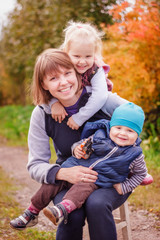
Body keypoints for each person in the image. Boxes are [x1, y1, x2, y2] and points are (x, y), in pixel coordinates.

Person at [9, 49, 150, 240]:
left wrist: (132, 161)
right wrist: (62, 173)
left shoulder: (101, 100)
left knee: (96, 204)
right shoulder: (42, 114)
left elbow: (134, 119)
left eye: (68, 73)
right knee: (71, 213)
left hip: (110, 177)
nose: (64, 82)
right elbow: (35, 165)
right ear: (43, 83)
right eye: (53, 78)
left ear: (77, 73)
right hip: (69, 175)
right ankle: (32, 213)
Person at [49, 21, 113, 130]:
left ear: (94, 54)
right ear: (66, 52)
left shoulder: (95, 69)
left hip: (96, 110)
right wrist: (53, 103)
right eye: (77, 56)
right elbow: (48, 86)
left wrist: (79, 118)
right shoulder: (61, 67)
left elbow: (100, 97)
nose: (82, 62)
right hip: (71, 110)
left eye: (88, 56)